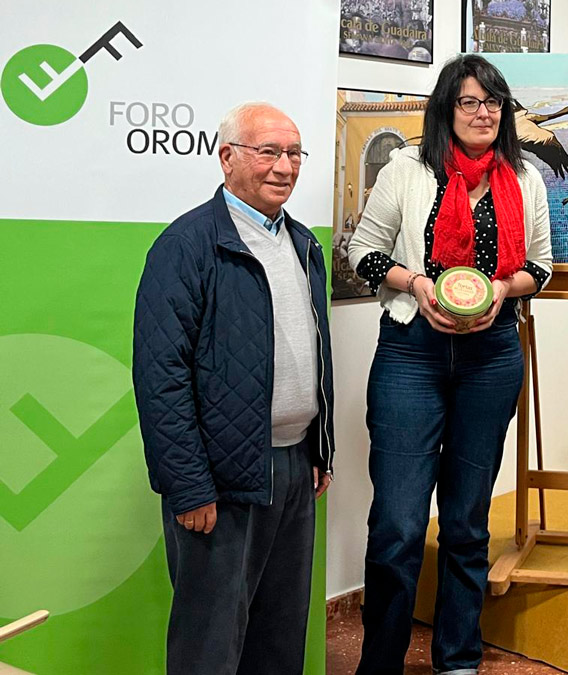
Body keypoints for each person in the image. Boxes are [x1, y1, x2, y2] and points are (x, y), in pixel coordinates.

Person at [347, 54, 553, 675]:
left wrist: (500, 291)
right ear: (446, 108)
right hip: (412, 351)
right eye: (469, 101)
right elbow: (364, 252)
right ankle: (379, 662)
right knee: (398, 526)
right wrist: (417, 285)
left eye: (493, 102)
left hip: (491, 357)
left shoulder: (526, 177)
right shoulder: (407, 170)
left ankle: (458, 659)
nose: (483, 112)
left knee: (466, 522)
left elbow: (539, 268)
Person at [132, 102, 335, 674]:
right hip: (221, 480)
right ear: (227, 158)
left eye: (294, 153)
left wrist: (317, 449)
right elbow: (160, 376)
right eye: (269, 151)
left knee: (280, 634)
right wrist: (189, 487)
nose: (285, 167)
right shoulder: (187, 245)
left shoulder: (301, 243)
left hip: (294, 469)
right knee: (211, 641)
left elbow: (313, 355)